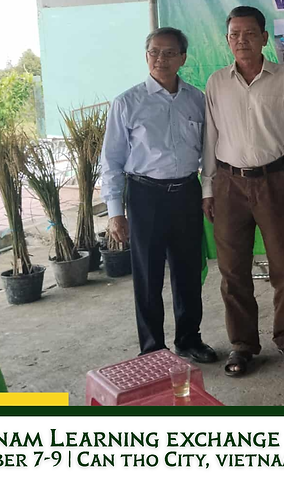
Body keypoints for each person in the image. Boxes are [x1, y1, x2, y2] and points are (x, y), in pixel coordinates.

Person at [202, 6, 284, 377]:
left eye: (249, 33)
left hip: (275, 181)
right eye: (234, 34)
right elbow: (210, 139)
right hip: (228, 184)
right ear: (228, 40)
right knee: (233, 271)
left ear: (265, 37)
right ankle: (243, 345)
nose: (241, 41)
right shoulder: (216, 82)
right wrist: (208, 187)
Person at [100, 27, 217, 364]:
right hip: (144, 195)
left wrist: (207, 191)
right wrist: (114, 211)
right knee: (148, 275)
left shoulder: (197, 100)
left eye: (169, 53)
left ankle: (189, 339)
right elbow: (112, 161)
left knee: (188, 271)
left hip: (185, 193)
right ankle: (152, 348)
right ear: (146, 55)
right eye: (154, 51)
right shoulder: (127, 102)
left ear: (183, 57)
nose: (161, 59)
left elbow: (207, 151)